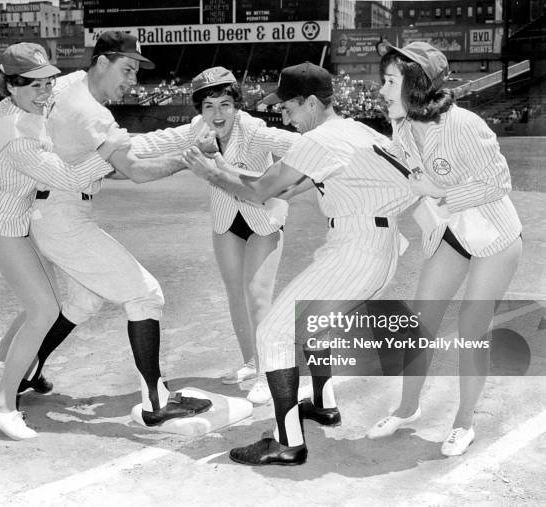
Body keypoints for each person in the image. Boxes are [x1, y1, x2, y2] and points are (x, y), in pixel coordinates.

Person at [182, 62, 416, 465]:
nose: (284, 116)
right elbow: (291, 185)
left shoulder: (321, 139)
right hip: (374, 243)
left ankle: (286, 441)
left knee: (274, 333)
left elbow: (261, 190)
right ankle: (323, 403)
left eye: (288, 107)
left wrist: (212, 172)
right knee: (314, 323)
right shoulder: (355, 130)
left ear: (310, 101)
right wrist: (226, 171)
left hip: (357, 250)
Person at [27, 31, 212, 426]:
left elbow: (126, 154)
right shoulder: (91, 113)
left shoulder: (66, 85)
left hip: (48, 209)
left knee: (83, 301)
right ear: (101, 62)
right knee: (145, 295)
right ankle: (155, 401)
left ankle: (29, 367)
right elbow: (136, 171)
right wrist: (188, 158)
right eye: (127, 69)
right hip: (62, 216)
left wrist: (185, 137)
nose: (132, 81)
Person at [366, 42, 522, 456]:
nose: (382, 91)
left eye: (390, 82)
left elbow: (498, 183)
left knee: (472, 330)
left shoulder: (464, 125)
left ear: (416, 86)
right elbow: (408, 179)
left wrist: (438, 189)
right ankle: (406, 408)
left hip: (495, 238)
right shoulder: (401, 126)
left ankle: (464, 422)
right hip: (451, 234)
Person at [0, 42, 127, 439]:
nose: (45, 92)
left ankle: (1, 354)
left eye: (48, 82)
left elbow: (71, 85)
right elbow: (73, 179)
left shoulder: (21, 105)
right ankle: (3, 406)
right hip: (0, 227)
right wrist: (108, 150)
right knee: (43, 311)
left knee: (42, 305)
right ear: (10, 86)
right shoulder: (17, 138)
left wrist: (93, 73)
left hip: (19, 221)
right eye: (34, 86)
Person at [130, 66, 299, 404]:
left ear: (236, 104)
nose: (217, 113)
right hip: (226, 219)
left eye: (224, 104)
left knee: (257, 294)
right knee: (235, 293)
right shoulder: (197, 129)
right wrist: (108, 144)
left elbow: (295, 144)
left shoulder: (253, 129)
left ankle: (270, 374)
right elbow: (155, 140)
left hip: (262, 217)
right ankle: (252, 362)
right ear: (199, 109)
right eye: (208, 106)